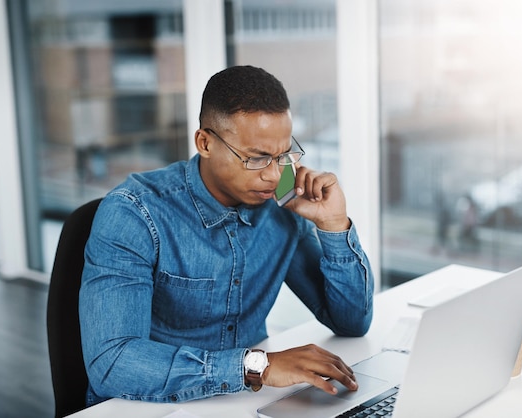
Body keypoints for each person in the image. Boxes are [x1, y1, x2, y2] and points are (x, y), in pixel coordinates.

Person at [79, 65, 374, 406]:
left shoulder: (283, 201)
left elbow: (351, 322)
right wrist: (256, 367)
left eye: (283, 156)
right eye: (256, 158)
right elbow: (112, 362)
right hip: (147, 405)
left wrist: (334, 225)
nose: (274, 175)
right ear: (205, 142)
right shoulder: (134, 213)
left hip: (244, 402)